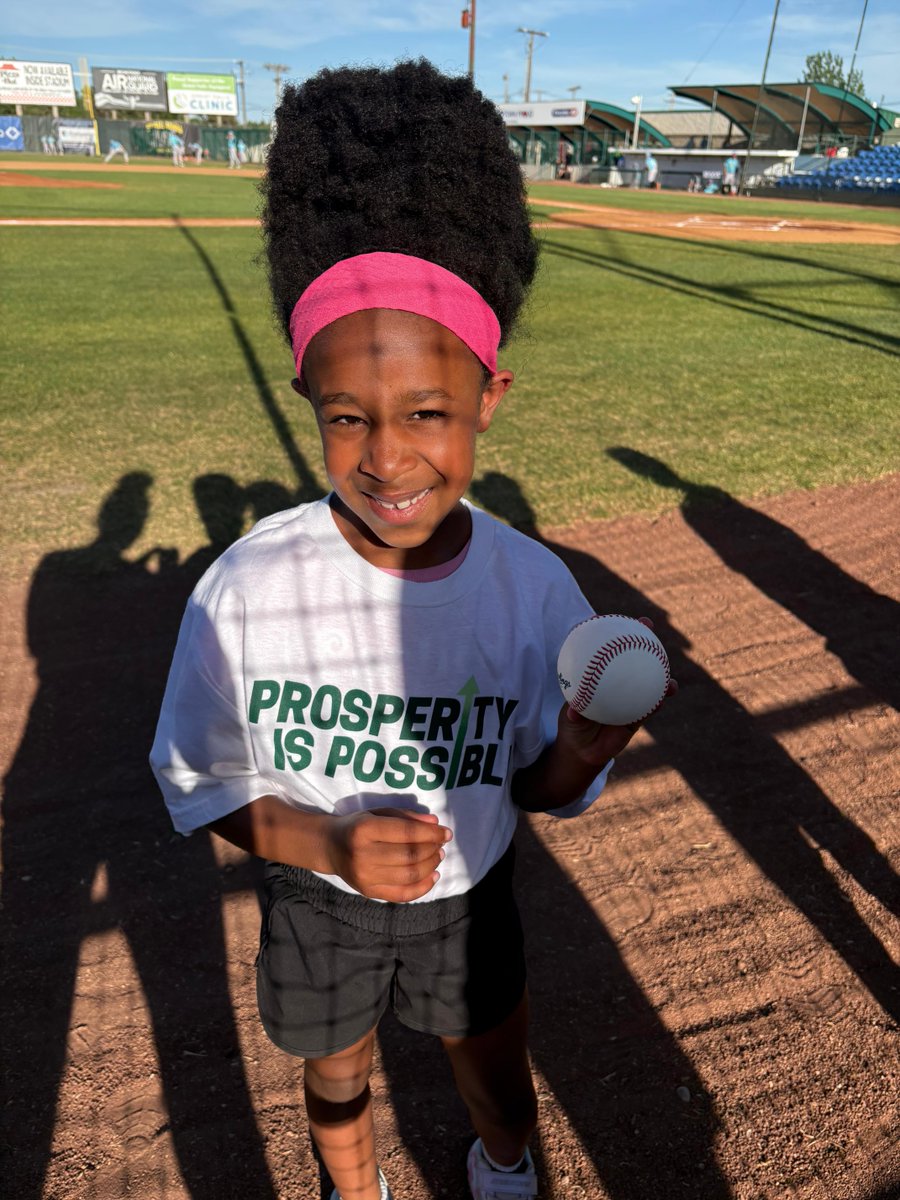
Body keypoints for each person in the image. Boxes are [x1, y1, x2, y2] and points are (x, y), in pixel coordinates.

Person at [151, 59, 670, 1200]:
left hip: (470, 899)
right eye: (349, 418)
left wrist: (582, 748)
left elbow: (533, 788)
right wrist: (325, 846)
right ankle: (355, 1184)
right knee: (331, 1066)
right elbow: (198, 776)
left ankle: (503, 1163)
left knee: (491, 1062)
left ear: (491, 396)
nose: (387, 457)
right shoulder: (245, 587)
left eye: (428, 412)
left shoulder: (533, 591)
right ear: (312, 405)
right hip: (314, 897)